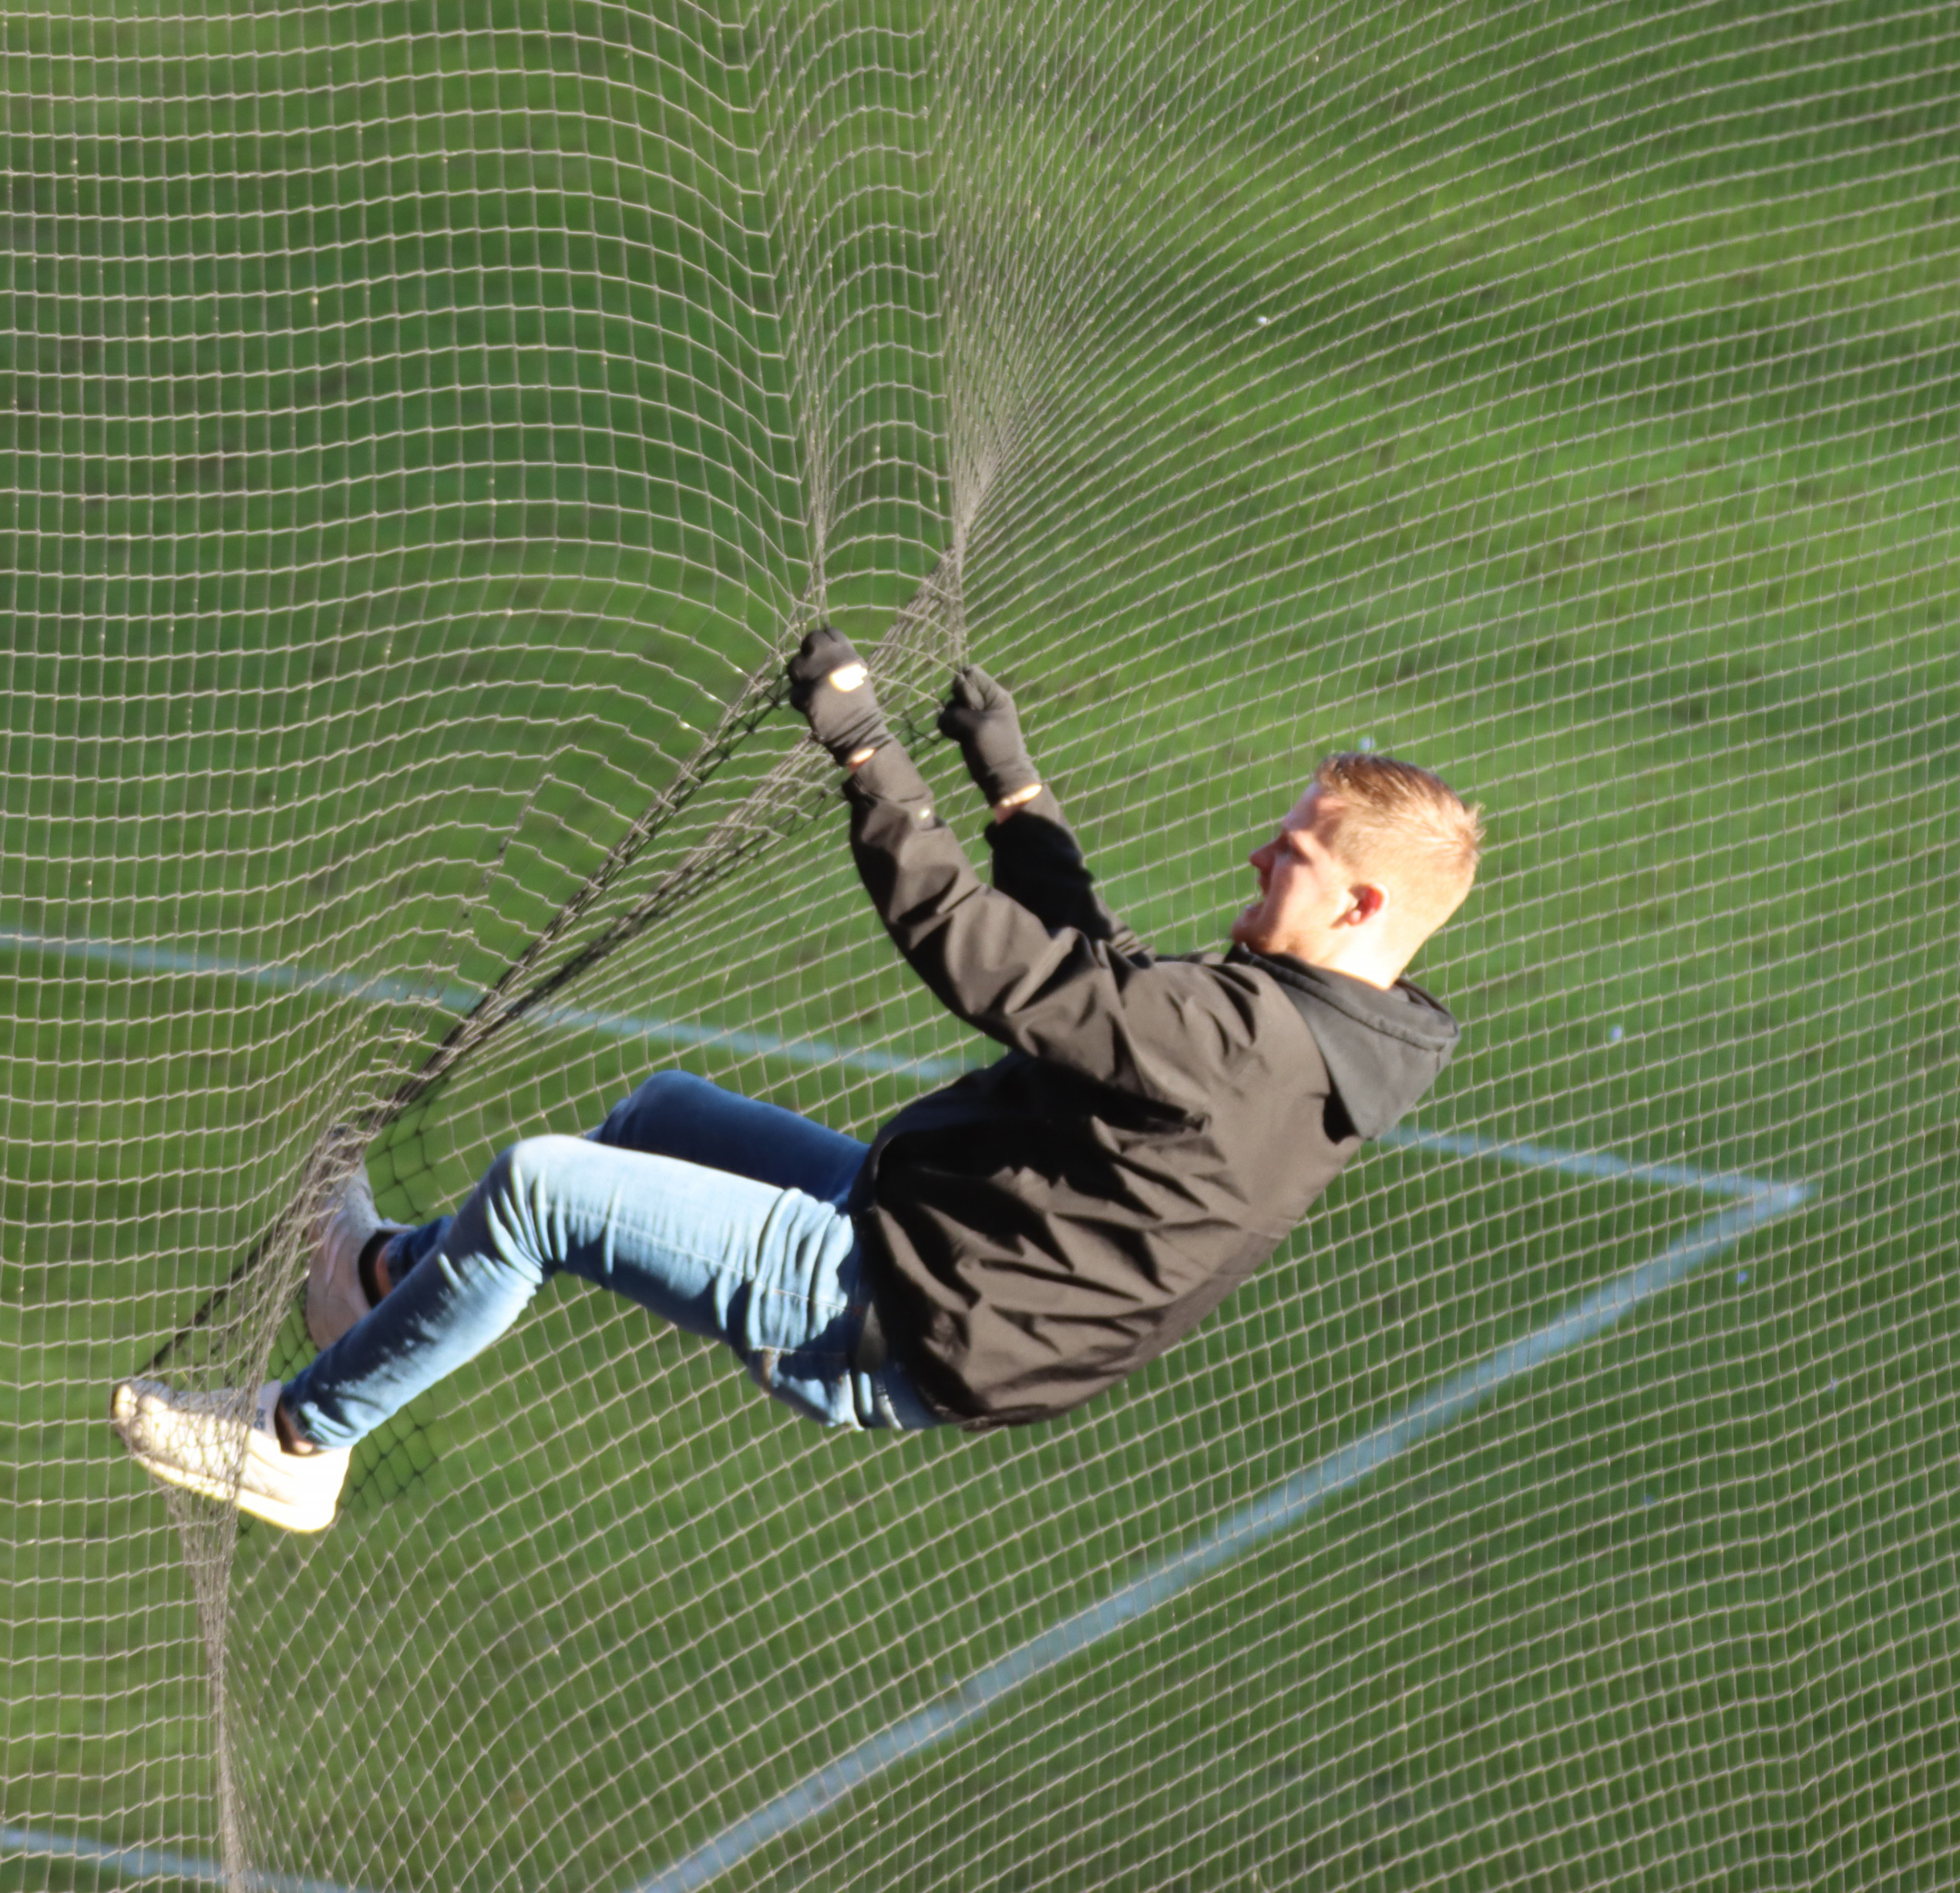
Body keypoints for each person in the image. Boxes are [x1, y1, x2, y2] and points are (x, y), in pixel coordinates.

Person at [112, 630, 1482, 1532]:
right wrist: (1014, 792)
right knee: (661, 1115)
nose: (1261, 854)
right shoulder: (1323, 1034)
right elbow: (1104, 989)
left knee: (541, 1192)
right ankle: (381, 1284)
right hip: (931, 1236)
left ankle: (299, 1443)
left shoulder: (1253, 1041)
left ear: (1360, 903)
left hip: (897, 1310)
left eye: (1295, 851)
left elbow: (989, 965)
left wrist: (869, 757)